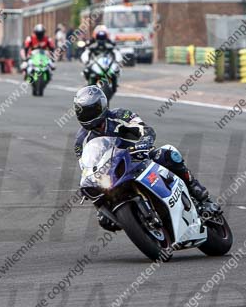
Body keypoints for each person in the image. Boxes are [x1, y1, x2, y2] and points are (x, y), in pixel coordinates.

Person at [73, 85, 210, 231]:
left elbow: (145, 129)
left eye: (92, 110)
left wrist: (143, 141)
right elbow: (87, 168)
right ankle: (138, 222)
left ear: (102, 105)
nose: (88, 115)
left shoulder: (120, 115)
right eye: (84, 112)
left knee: (168, 153)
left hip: (138, 157)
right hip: (112, 173)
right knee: (104, 219)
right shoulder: (80, 142)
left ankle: (197, 191)